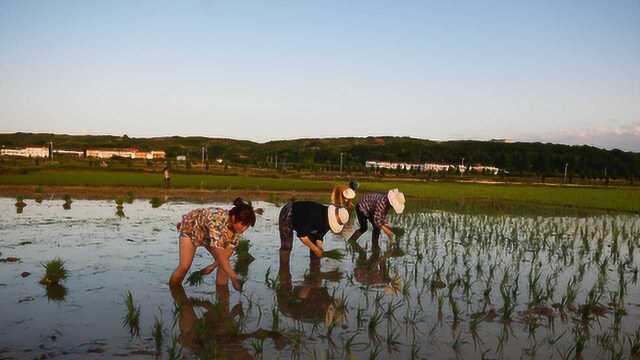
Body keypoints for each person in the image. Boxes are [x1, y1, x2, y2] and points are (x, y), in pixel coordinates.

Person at [169, 198, 256, 290]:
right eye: (243, 224)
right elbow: (220, 255)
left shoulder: (236, 231)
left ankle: (222, 297)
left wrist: (212, 266)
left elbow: (225, 256)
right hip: (191, 229)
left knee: (224, 268)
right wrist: (235, 279)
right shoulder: (216, 220)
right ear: (234, 217)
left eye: (247, 226)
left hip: (207, 234)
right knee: (184, 266)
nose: (244, 229)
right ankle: (174, 291)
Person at [278, 201, 349, 262]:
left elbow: (319, 236)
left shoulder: (328, 223)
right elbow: (303, 236)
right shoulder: (313, 216)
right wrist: (315, 249)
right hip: (289, 212)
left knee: (315, 245)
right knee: (286, 247)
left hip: (305, 221)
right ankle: (284, 272)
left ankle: (315, 271)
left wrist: (320, 248)